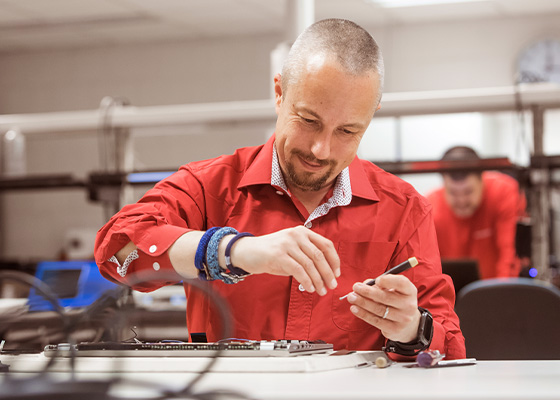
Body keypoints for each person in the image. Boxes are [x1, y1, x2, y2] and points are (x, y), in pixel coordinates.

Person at [95, 19, 465, 360]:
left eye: (347, 131)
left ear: (371, 115)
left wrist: (412, 330)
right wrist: (233, 250)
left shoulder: (403, 210)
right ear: (278, 93)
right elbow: (117, 251)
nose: (322, 149)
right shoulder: (210, 186)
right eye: (308, 120)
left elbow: (452, 349)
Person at [427, 146, 526, 280]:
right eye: (453, 193)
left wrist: (503, 293)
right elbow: (429, 268)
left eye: (468, 192)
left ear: (482, 180)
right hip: (451, 296)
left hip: (496, 290)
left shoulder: (503, 193)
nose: (461, 201)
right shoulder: (430, 208)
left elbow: (508, 253)